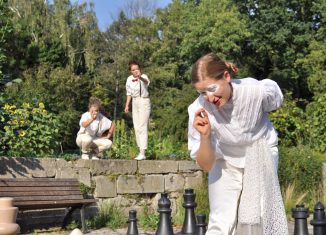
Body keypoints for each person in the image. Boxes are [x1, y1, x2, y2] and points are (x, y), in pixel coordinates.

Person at [188, 53, 288, 235]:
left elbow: (276, 99)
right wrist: (205, 136)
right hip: (224, 157)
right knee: (221, 220)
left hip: (260, 151)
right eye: (202, 92)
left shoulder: (255, 90)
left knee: (259, 217)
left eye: (211, 88)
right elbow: (206, 164)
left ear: (226, 77)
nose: (209, 97)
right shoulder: (199, 110)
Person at [124, 60, 151, 160]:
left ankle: (143, 152)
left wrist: (140, 77)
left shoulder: (144, 76)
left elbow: (146, 82)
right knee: (136, 127)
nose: (135, 71)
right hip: (135, 102)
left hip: (144, 101)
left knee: (142, 126)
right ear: (130, 71)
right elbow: (129, 93)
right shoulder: (129, 79)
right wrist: (127, 105)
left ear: (140, 69)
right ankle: (140, 150)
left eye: (137, 69)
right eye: (133, 70)